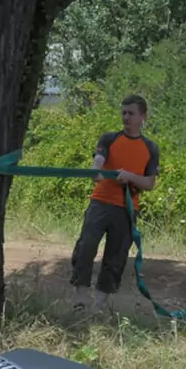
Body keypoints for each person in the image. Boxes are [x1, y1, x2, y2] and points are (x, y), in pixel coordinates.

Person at [69, 94, 160, 314]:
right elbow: (98, 161)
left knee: (116, 257)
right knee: (85, 248)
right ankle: (80, 301)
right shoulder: (109, 138)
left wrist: (130, 176)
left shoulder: (150, 148)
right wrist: (96, 171)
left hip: (126, 210)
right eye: (123, 112)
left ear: (143, 117)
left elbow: (149, 183)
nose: (126, 117)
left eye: (131, 113)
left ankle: (99, 306)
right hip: (100, 203)